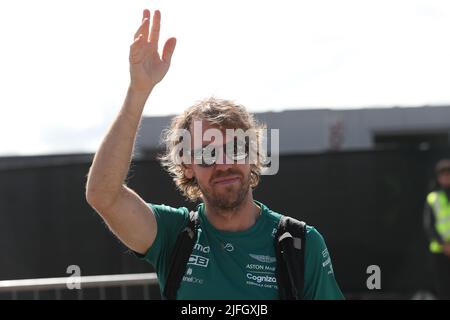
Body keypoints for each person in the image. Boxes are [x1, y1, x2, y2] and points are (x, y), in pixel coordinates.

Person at [86, 8, 344, 300]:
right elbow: (103, 195)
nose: (223, 164)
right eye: (207, 154)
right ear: (187, 166)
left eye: (235, 148)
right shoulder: (175, 235)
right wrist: (138, 90)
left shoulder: (300, 243)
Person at [423, 159, 450, 299]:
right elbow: (429, 225)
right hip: (440, 252)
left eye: (448, 174)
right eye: (443, 175)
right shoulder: (433, 198)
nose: (446, 178)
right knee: (443, 288)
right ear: (438, 177)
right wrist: (444, 245)